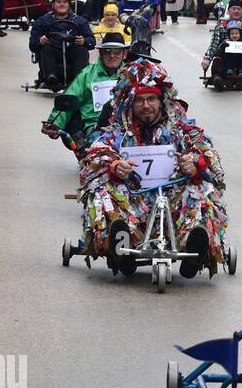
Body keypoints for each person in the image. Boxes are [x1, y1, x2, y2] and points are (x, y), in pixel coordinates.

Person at [76, 60, 229, 278]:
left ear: (161, 101)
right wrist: (115, 165)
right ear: (130, 103)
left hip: (173, 200)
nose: (146, 105)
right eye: (139, 100)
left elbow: (209, 153)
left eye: (151, 99)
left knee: (202, 189)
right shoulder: (118, 132)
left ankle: (195, 249)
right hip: (133, 199)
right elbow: (94, 154)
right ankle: (122, 250)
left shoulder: (180, 130)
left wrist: (195, 164)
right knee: (103, 192)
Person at [42, 32, 129, 147]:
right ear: (101, 53)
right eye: (107, 51)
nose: (112, 56)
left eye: (117, 52)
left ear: (124, 54)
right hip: (92, 127)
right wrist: (54, 124)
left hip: (125, 127)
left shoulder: (132, 74)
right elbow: (70, 96)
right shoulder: (87, 74)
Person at [30, 0, 95, 90]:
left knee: (82, 51)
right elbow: (32, 45)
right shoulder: (42, 21)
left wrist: (84, 41)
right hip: (53, 51)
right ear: (53, 4)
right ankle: (51, 77)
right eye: (59, 2)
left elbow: (92, 41)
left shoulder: (79, 21)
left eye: (64, 2)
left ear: (69, 5)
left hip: (72, 51)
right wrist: (40, 41)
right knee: (46, 49)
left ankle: (79, 78)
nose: (62, 4)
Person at [202, 0, 242, 85]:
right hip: (227, 61)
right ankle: (217, 78)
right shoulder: (221, 26)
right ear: (228, 11)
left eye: (239, 9)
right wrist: (207, 59)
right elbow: (213, 45)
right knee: (217, 61)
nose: (236, 11)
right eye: (233, 9)